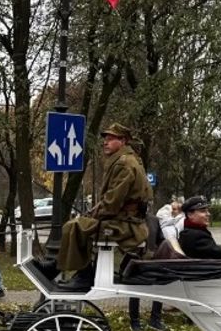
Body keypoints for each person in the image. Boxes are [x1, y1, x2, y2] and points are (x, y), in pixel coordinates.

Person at [55, 123, 150, 291]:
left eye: (111, 139)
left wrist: (94, 215)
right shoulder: (126, 160)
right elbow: (111, 199)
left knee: (75, 226)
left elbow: (112, 202)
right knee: (79, 223)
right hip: (125, 220)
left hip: (125, 225)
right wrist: (94, 211)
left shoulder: (124, 164)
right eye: (105, 139)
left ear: (123, 141)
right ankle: (79, 271)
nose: (105, 142)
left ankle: (83, 276)